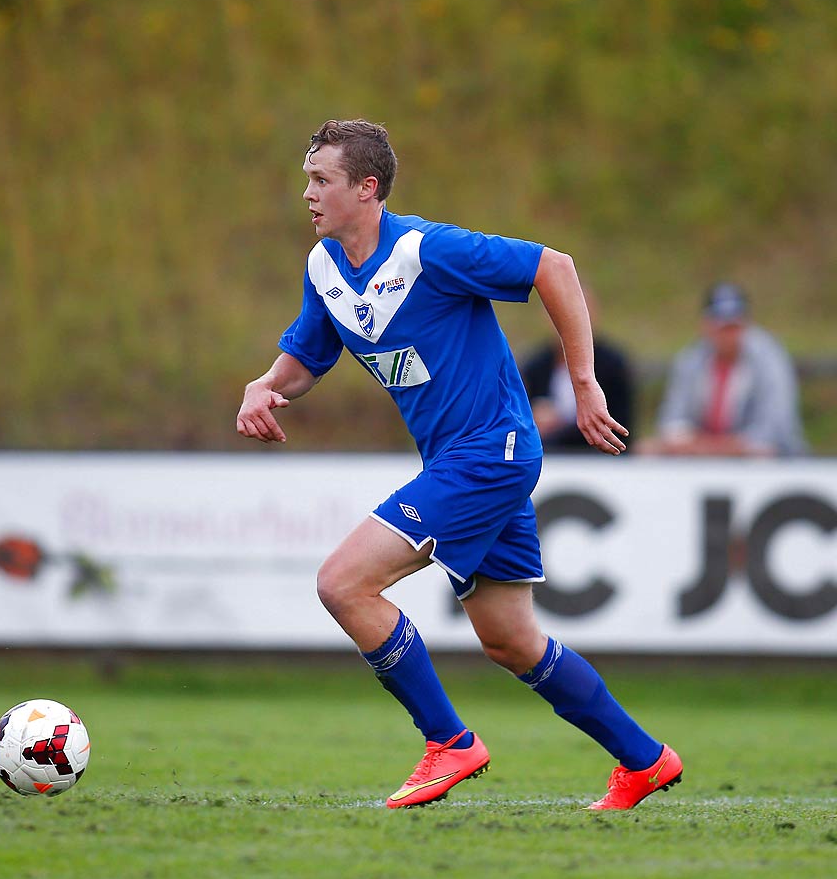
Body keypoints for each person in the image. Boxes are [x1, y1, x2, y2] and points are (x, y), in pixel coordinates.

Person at [236, 119, 682, 810]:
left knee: (343, 585)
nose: (308, 194)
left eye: (322, 179)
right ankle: (644, 759)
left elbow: (552, 267)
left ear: (367, 188)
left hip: (491, 453)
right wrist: (265, 385)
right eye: (308, 178)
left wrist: (584, 381)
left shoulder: (426, 250)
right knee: (511, 640)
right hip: (464, 460)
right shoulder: (324, 269)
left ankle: (447, 741)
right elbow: (306, 360)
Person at [646, 282, 806, 457]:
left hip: (767, 461)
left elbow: (776, 426)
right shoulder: (692, 359)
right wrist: (683, 440)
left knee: (762, 453)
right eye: (722, 328)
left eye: (734, 327)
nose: (728, 336)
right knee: (648, 450)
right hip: (705, 457)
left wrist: (718, 446)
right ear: (705, 325)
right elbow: (672, 418)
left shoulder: (769, 357)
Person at [519, 293, 635, 454]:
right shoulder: (535, 365)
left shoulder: (612, 365)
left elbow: (621, 426)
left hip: (597, 457)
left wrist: (558, 426)